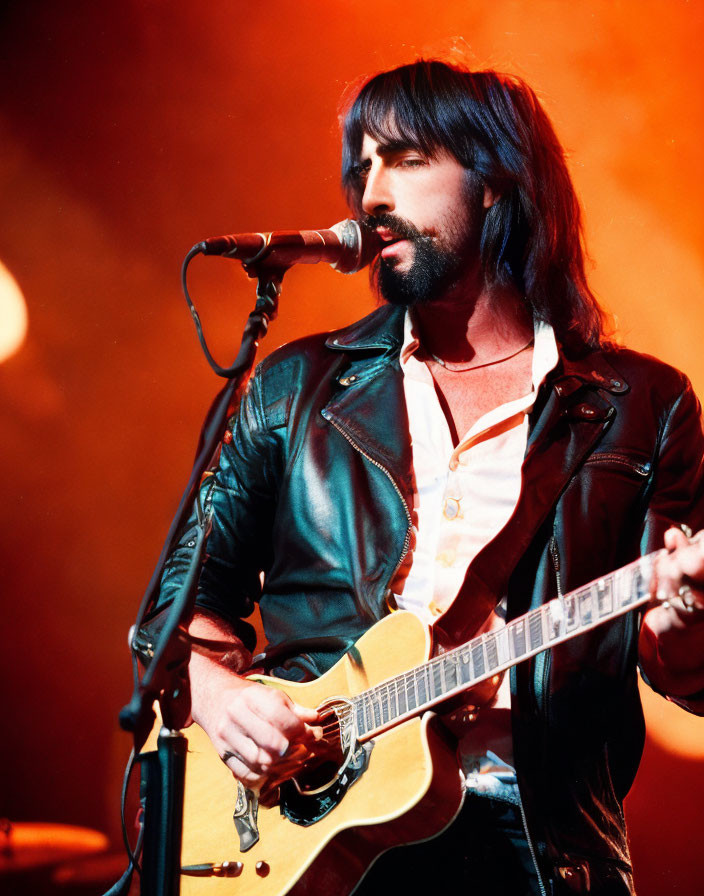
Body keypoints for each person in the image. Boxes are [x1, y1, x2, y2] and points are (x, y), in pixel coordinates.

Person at [156, 61, 704, 895]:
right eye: (362, 165)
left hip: (537, 843)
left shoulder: (643, 406)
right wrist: (223, 701)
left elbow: (686, 678)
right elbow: (176, 614)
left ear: (494, 183)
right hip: (312, 840)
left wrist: (682, 616)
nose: (370, 193)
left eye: (406, 160)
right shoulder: (295, 387)